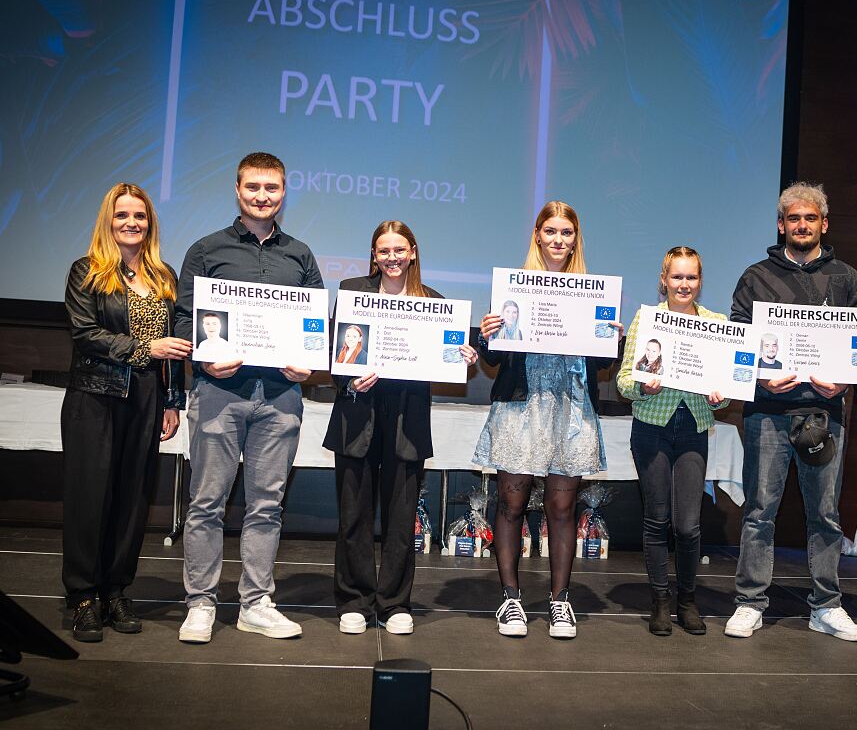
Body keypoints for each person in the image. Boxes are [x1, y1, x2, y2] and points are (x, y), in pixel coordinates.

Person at [174, 152, 323, 643]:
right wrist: (202, 357)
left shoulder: (300, 255)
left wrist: (309, 363)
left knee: (266, 506)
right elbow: (183, 318)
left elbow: (314, 327)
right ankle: (200, 604)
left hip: (280, 396)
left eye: (273, 188)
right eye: (254, 187)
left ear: (284, 192)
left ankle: (255, 603)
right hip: (219, 391)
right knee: (206, 502)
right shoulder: (206, 250)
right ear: (238, 190)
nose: (263, 196)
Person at [724, 181, 857, 642]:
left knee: (824, 513)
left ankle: (826, 605)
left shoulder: (846, 278)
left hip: (824, 413)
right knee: (759, 511)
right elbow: (737, 341)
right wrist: (760, 379)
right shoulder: (755, 276)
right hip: (767, 411)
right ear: (781, 224)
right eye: (793, 218)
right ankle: (750, 603)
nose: (801, 225)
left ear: (824, 225)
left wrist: (844, 381)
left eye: (810, 218)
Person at [474, 201, 621, 640]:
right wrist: (488, 335)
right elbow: (496, 358)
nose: (559, 240)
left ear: (576, 240)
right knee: (511, 504)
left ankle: (560, 602)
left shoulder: (592, 292)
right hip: (522, 404)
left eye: (567, 233)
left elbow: (599, 365)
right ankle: (510, 599)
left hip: (570, 407)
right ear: (537, 235)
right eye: (551, 231)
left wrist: (611, 338)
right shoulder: (512, 289)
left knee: (561, 508)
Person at [324, 221, 477, 636]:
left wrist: (463, 356)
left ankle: (394, 603)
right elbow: (334, 351)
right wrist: (349, 380)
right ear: (374, 255)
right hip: (358, 413)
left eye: (399, 250)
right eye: (383, 250)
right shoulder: (354, 291)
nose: (391, 258)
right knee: (353, 515)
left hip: (406, 419)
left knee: (400, 516)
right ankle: (354, 600)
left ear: (412, 252)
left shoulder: (434, 302)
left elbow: (447, 358)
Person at [61, 183, 191, 642]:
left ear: (150, 223)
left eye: (140, 216)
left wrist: (173, 402)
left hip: (148, 398)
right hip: (95, 396)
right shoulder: (87, 272)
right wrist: (142, 348)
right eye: (122, 216)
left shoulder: (163, 275)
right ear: (108, 222)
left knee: (133, 499)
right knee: (89, 497)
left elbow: (173, 349)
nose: (131, 223)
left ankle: (116, 590)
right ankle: (82, 596)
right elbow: (85, 334)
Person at [617, 247, 727, 636]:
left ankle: (687, 600)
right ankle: (660, 600)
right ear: (664, 279)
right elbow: (624, 382)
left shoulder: (717, 323)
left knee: (688, 525)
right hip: (653, 427)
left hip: (694, 427)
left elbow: (725, 388)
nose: (684, 284)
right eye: (677, 277)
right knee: (656, 519)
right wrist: (643, 387)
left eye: (691, 277)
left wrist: (720, 395)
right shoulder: (647, 319)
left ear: (700, 281)